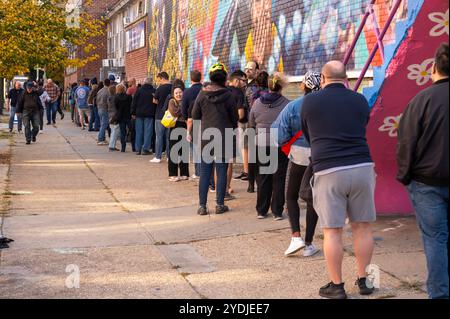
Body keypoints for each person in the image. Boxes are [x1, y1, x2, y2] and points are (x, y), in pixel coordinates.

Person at [301, 61, 376, 299]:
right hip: (362, 166)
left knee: (332, 231)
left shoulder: (310, 101)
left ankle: (337, 286)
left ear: (323, 79)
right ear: (346, 78)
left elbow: (307, 132)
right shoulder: (359, 100)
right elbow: (364, 125)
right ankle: (364, 281)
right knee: (363, 227)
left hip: (328, 169)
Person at [397, 43, 449, 300]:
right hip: (426, 182)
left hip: (426, 184)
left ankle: (439, 295)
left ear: (433, 68)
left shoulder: (420, 101)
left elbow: (406, 142)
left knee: (435, 239)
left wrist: (405, 175)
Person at [272, 71, 322, 258]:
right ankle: (309, 243)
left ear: (303, 86)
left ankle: (296, 237)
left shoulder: (293, 106)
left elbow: (280, 134)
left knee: (291, 195)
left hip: (299, 154)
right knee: (312, 198)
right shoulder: (326, 105)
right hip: (321, 154)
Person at [192, 63, 238, 216]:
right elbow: (234, 118)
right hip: (224, 137)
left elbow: (195, 114)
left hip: (206, 137)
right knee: (221, 170)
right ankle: (219, 204)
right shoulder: (229, 95)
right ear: (224, 77)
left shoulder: (202, 93)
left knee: (205, 172)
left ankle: (202, 206)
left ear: (211, 77)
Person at [249, 73, 290, 221]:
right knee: (279, 178)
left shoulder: (257, 103)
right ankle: (277, 211)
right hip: (279, 144)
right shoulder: (287, 104)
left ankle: (261, 210)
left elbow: (251, 123)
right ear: (281, 86)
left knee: (263, 177)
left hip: (261, 143)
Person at [167, 86, 190, 182]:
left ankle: (184, 173)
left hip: (184, 126)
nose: (178, 94)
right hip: (175, 127)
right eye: (176, 93)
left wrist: (182, 109)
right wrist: (183, 108)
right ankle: (173, 174)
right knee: (174, 151)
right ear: (173, 94)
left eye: (180, 92)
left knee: (184, 151)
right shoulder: (172, 102)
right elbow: (174, 113)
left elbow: (189, 113)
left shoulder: (185, 101)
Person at [183, 71, 203, 178]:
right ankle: (203, 172)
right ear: (200, 78)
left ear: (191, 79)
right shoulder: (204, 90)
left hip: (193, 122)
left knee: (195, 149)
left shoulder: (187, 92)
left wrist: (187, 123)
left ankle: (198, 172)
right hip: (205, 122)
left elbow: (183, 109)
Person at [131, 78, 156, 155]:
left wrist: (133, 113)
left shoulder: (139, 90)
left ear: (144, 82)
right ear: (151, 83)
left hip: (139, 114)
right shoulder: (154, 91)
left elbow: (134, 102)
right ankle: (145, 149)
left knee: (139, 132)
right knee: (148, 132)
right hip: (149, 114)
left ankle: (138, 149)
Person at [152, 72, 172, 163]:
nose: (159, 81)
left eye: (159, 79)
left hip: (160, 115)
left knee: (159, 137)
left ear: (162, 78)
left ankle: (158, 156)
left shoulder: (160, 88)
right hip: (170, 115)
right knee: (169, 137)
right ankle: (169, 156)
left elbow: (154, 101)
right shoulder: (173, 87)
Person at [112, 84, 134, 153]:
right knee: (132, 131)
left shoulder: (116, 97)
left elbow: (116, 107)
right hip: (128, 116)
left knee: (122, 132)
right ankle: (134, 147)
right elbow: (131, 105)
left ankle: (123, 148)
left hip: (120, 116)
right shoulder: (129, 97)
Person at [97, 79, 112, 145]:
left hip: (99, 108)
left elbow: (96, 99)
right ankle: (100, 139)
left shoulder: (100, 91)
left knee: (102, 124)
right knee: (104, 124)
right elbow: (109, 101)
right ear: (109, 83)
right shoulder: (108, 91)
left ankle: (102, 138)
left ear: (103, 83)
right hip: (105, 109)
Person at [107, 85, 119, 151]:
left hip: (110, 114)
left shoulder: (109, 97)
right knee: (115, 131)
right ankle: (112, 146)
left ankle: (112, 145)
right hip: (114, 115)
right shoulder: (115, 97)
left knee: (112, 131)